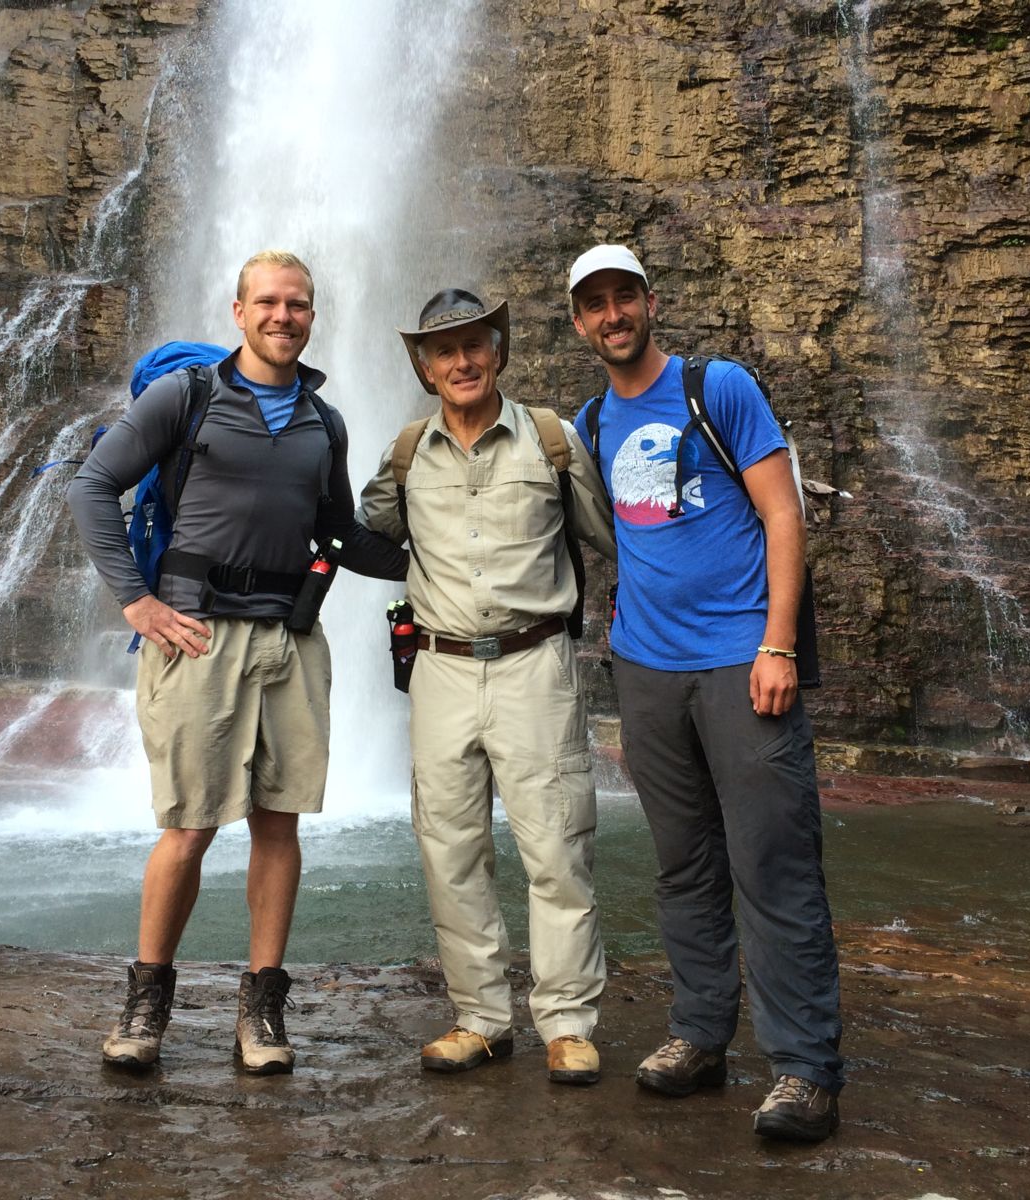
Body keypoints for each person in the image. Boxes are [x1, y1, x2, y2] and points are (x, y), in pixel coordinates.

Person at [66, 250, 406, 1074]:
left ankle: (262, 1007)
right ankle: (147, 1002)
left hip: (290, 640)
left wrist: (448, 553)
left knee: (277, 823)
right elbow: (91, 485)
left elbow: (340, 534)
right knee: (188, 826)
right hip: (198, 638)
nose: (283, 316)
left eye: (298, 305)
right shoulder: (185, 397)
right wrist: (136, 603)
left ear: (312, 317)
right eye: (269, 302)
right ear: (238, 310)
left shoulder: (325, 422)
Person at [567, 244, 844, 1141]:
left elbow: (781, 512)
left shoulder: (715, 388)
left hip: (740, 659)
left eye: (623, 297)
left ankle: (805, 1068)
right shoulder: (590, 422)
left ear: (650, 302)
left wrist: (777, 644)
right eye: (593, 305)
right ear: (579, 323)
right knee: (683, 863)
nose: (612, 315)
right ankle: (699, 1034)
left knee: (772, 860)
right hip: (646, 672)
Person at [360, 288, 616, 1085]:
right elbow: (368, 534)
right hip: (438, 668)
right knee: (450, 850)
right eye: (445, 351)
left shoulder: (552, 440)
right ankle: (480, 1018)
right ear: (424, 366)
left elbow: (605, 535)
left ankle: (567, 1024)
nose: (463, 362)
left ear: (498, 350)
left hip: (534, 662)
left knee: (555, 847)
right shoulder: (404, 454)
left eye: (476, 345)